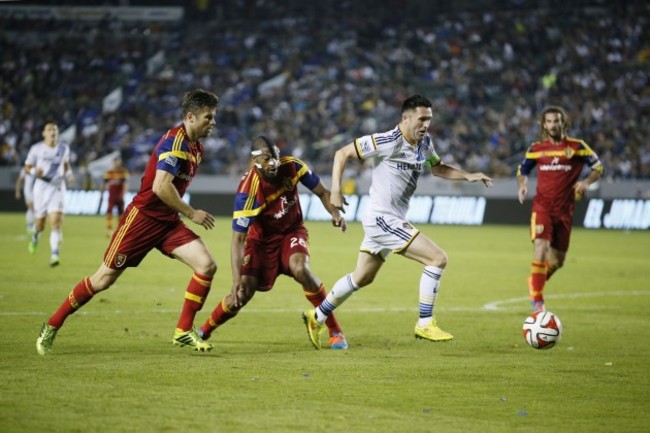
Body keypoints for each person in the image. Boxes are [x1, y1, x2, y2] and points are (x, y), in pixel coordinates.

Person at [36, 89, 220, 355]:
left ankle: (182, 331)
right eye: (208, 117)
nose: (213, 122)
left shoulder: (196, 147)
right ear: (191, 117)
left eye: (214, 117)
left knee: (206, 265)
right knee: (103, 280)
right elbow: (160, 187)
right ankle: (52, 325)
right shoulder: (174, 143)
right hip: (142, 220)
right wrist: (191, 213)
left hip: (167, 222)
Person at [302, 94, 493, 348]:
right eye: (421, 119)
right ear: (406, 118)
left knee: (362, 277)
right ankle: (425, 323)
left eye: (429, 119)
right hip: (382, 218)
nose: (426, 125)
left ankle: (317, 317)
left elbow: (438, 167)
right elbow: (342, 153)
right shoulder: (387, 141)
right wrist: (335, 190)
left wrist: (467, 176)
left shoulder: (424, 144)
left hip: (389, 219)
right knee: (437, 258)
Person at [198, 136, 349, 350]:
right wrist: (236, 280)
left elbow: (323, 192)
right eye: (267, 158)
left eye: (275, 157)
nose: (273, 163)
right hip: (260, 243)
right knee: (240, 295)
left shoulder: (293, 166)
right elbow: (238, 240)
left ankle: (335, 331)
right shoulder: (247, 192)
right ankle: (205, 329)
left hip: (291, 232)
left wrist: (334, 213)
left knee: (301, 268)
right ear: (254, 161)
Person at [517, 106, 603, 312]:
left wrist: (586, 182)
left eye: (556, 121)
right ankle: (537, 300)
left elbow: (598, 167)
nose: (553, 125)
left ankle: (535, 281)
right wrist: (522, 184)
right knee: (541, 248)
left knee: (558, 260)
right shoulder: (536, 148)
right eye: (549, 122)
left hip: (564, 210)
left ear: (563, 122)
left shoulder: (577, 147)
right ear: (543, 125)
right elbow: (523, 169)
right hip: (542, 207)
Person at [24, 122, 74, 267]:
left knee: (56, 222)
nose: (52, 132)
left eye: (55, 130)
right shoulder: (37, 149)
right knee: (40, 225)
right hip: (41, 188)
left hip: (57, 188)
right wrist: (34, 171)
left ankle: (55, 254)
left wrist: (69, 174)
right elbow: (27, 167)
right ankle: (35, 236)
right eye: (49, 130)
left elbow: (66, 163)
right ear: (44, 133)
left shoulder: (64, 147)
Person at [100, 156, 129, 237]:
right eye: (115, 162)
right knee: (109, 212)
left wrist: (124, 193)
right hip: (111, 197)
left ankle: (120, 230)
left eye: (118, 162)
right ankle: (109, 230)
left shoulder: (123, 172)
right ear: (113, 163)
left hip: (120, 197)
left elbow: (125, 183)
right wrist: (102, 192)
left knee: (121, 214)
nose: (116, 163)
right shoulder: (109, 172)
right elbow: (104, 183)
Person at [14, 168, 36, 235]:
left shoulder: (38, 167)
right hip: (28, 191)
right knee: (31, 208)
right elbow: (19, 180)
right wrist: (17, 191)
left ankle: (32, 224)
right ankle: (29, 225)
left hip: (37, 191)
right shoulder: (25, 169)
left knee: (35, 209)